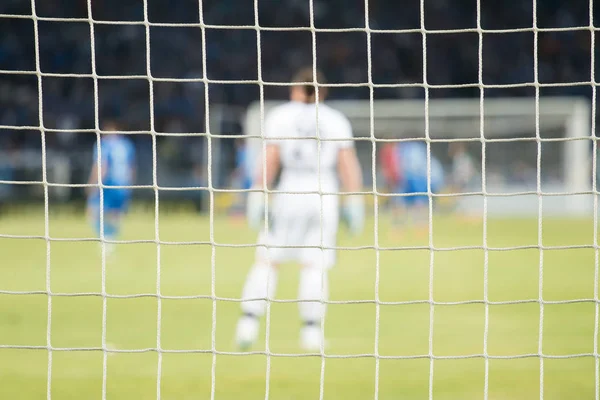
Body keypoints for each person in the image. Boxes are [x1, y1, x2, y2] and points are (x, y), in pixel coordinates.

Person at [236, 67, 364, 351]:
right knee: (314, 263)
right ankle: (311, 332)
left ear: (294, 89)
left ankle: (248, 323)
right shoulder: (334, 119)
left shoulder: (280, 116)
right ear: (323, 91)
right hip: (323, 190)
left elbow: (270, 159)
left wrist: (259, 192)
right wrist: (354, 199)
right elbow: (347, 162)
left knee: (269, 258)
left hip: (290, 189)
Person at [86, 119, 136, 256]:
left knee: (93, 211)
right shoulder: (127, 145)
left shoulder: (104, 145)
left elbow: (102, 165)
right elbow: (132, 167)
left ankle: (105, 242)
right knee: (115, 214)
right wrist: (130, 185)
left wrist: (93, 183)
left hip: (107, 183)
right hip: (122, 184)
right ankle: (111, 241)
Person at [381, 140, 444, 230]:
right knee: (415, 202)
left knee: (407, 202)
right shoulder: (415, 148)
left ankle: (403, 225)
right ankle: (415, 224)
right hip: (411, 178)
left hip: (407, 178)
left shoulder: (402, 149)